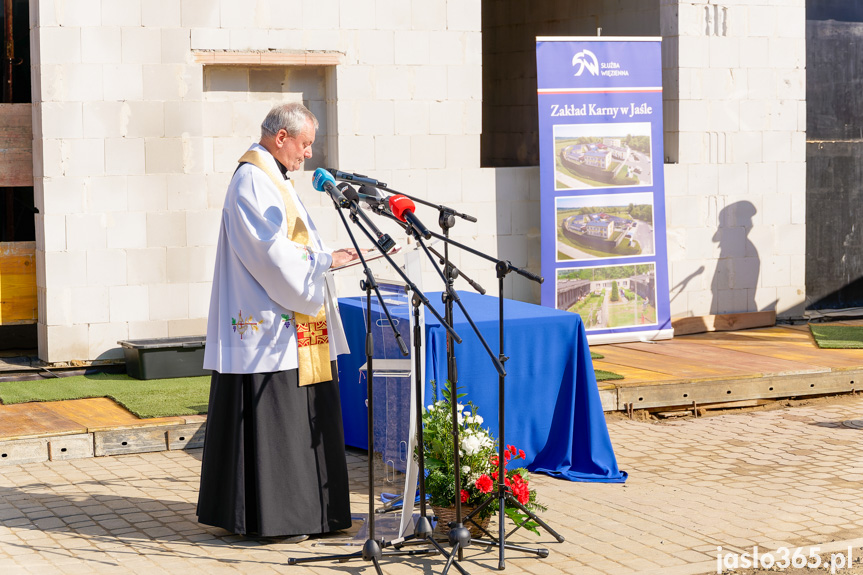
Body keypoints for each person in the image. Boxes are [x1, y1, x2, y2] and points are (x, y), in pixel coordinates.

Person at [197, 102, 360, 540]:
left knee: (302, 414)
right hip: (270, 325)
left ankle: (316, 513)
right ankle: (280, 517)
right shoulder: (253, 178)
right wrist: (326, 261)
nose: (309, 154)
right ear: (281, 137)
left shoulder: (273, 177)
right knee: (280, 421)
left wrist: (327, 260)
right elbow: (271, 254)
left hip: (292, 322)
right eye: (305, 144)